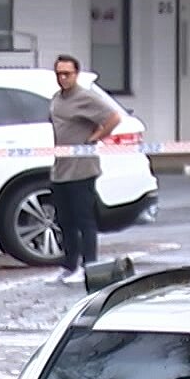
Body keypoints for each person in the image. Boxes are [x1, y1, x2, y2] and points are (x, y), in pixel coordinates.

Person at [50, 54, 126, 284]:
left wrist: (93, 138)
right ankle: (69, 265)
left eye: (67, 74)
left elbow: (113, 118)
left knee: (84, 218)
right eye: (59, 74)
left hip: (82, 169)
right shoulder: (57, 98)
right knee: (64, 219)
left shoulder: (85, 97)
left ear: (76, 74)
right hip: (61, 167)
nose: (63, 78)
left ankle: (89, 265)